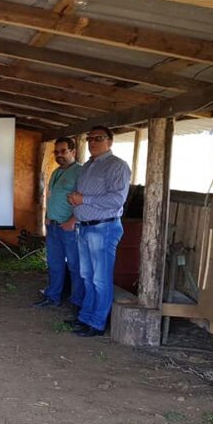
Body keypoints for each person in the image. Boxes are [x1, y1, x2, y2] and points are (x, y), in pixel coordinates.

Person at [67, 126, 131, 337]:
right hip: (85, 228)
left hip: (104, 228)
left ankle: (97, 323)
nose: (93, 142)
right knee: (87, 276)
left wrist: (83, 200)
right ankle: (85, 317)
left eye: (99, 138)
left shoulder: (117, 166)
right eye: (90, 138)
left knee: (100, 279)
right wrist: (77, 203)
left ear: (110, 141)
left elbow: (116, 200)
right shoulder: (88, 165)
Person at [33, 137, 84, 310]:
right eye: (56, 152)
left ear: (73, 152)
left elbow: (84, 201)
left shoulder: (80, 172)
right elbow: (52, 197)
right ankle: (52, 296)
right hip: (53, 226)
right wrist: (47, 217)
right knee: (54, 264)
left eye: (63, 151)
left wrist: (73, 221)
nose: (59, 155)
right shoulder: (56, 172)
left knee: (75, 266)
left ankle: (77, 303)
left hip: (69, 227)